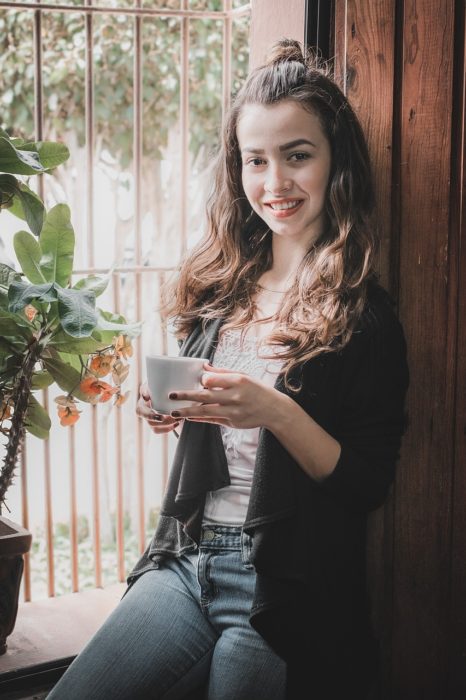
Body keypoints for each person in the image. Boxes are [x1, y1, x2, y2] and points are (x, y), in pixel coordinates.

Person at [47, 38, 409, 700]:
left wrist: (274, 410)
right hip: (187, 557)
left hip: (284, 585)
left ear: (336, 161)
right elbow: (208, 427)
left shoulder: (368, 319)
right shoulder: (220, 291)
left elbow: (366, 483)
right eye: (256, 160)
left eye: (298, 156)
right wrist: (166, 407)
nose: (275, 182)